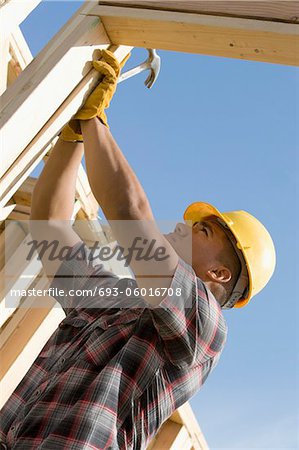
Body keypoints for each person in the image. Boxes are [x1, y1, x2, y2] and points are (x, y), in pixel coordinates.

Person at [0, 50, 276, 450]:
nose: (181, 228)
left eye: (200, 231)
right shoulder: (119, 302)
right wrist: (74, 136)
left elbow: (131, 215)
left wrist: (95, 117)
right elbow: (50, 226)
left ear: (219, 274)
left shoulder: (206, 330)